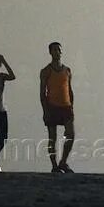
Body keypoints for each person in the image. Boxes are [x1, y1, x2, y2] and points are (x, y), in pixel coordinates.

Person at [39, 41, 75, 173]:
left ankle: (63, 162)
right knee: (52, 137)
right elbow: (42, 93)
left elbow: (69, 90)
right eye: (54, 50)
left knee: (71, 135)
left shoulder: (67, 70)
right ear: (50, 52)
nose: (57, 52)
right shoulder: (46, 71)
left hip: (66, 106)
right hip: (52, 106)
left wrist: (72, 106)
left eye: (59, 50)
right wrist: (45, 110)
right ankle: (54, 165)